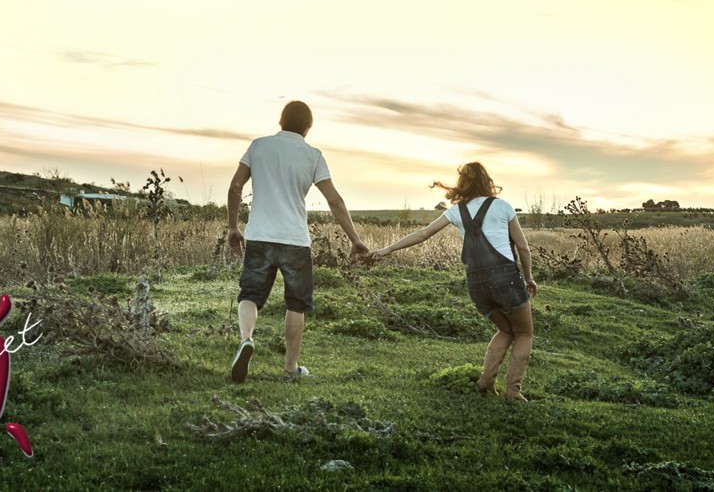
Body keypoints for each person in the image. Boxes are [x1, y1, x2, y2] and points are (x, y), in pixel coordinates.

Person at [226, 100, 369, 382]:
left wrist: (233, 227)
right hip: (295, 241)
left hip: (259, 236)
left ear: (281, 120)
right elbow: (334, 199)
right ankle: (291, 368)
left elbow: (235, 186)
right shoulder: (313, 155)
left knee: (250, 295)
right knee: (296, 304)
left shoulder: (259, 146)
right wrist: (354, 239)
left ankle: (246, 339)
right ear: (308, 127)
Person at [372, 162, 537, 401]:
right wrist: (529, 277)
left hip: (476, 284)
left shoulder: (456, 211)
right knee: (523, 334)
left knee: (505, 329)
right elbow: (522, 247)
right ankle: (513, 391)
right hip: (506, 280)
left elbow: (422, 234)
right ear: (486, 180)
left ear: (463, 184)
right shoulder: (502, 207)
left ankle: (485, 382)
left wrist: (387, 249)